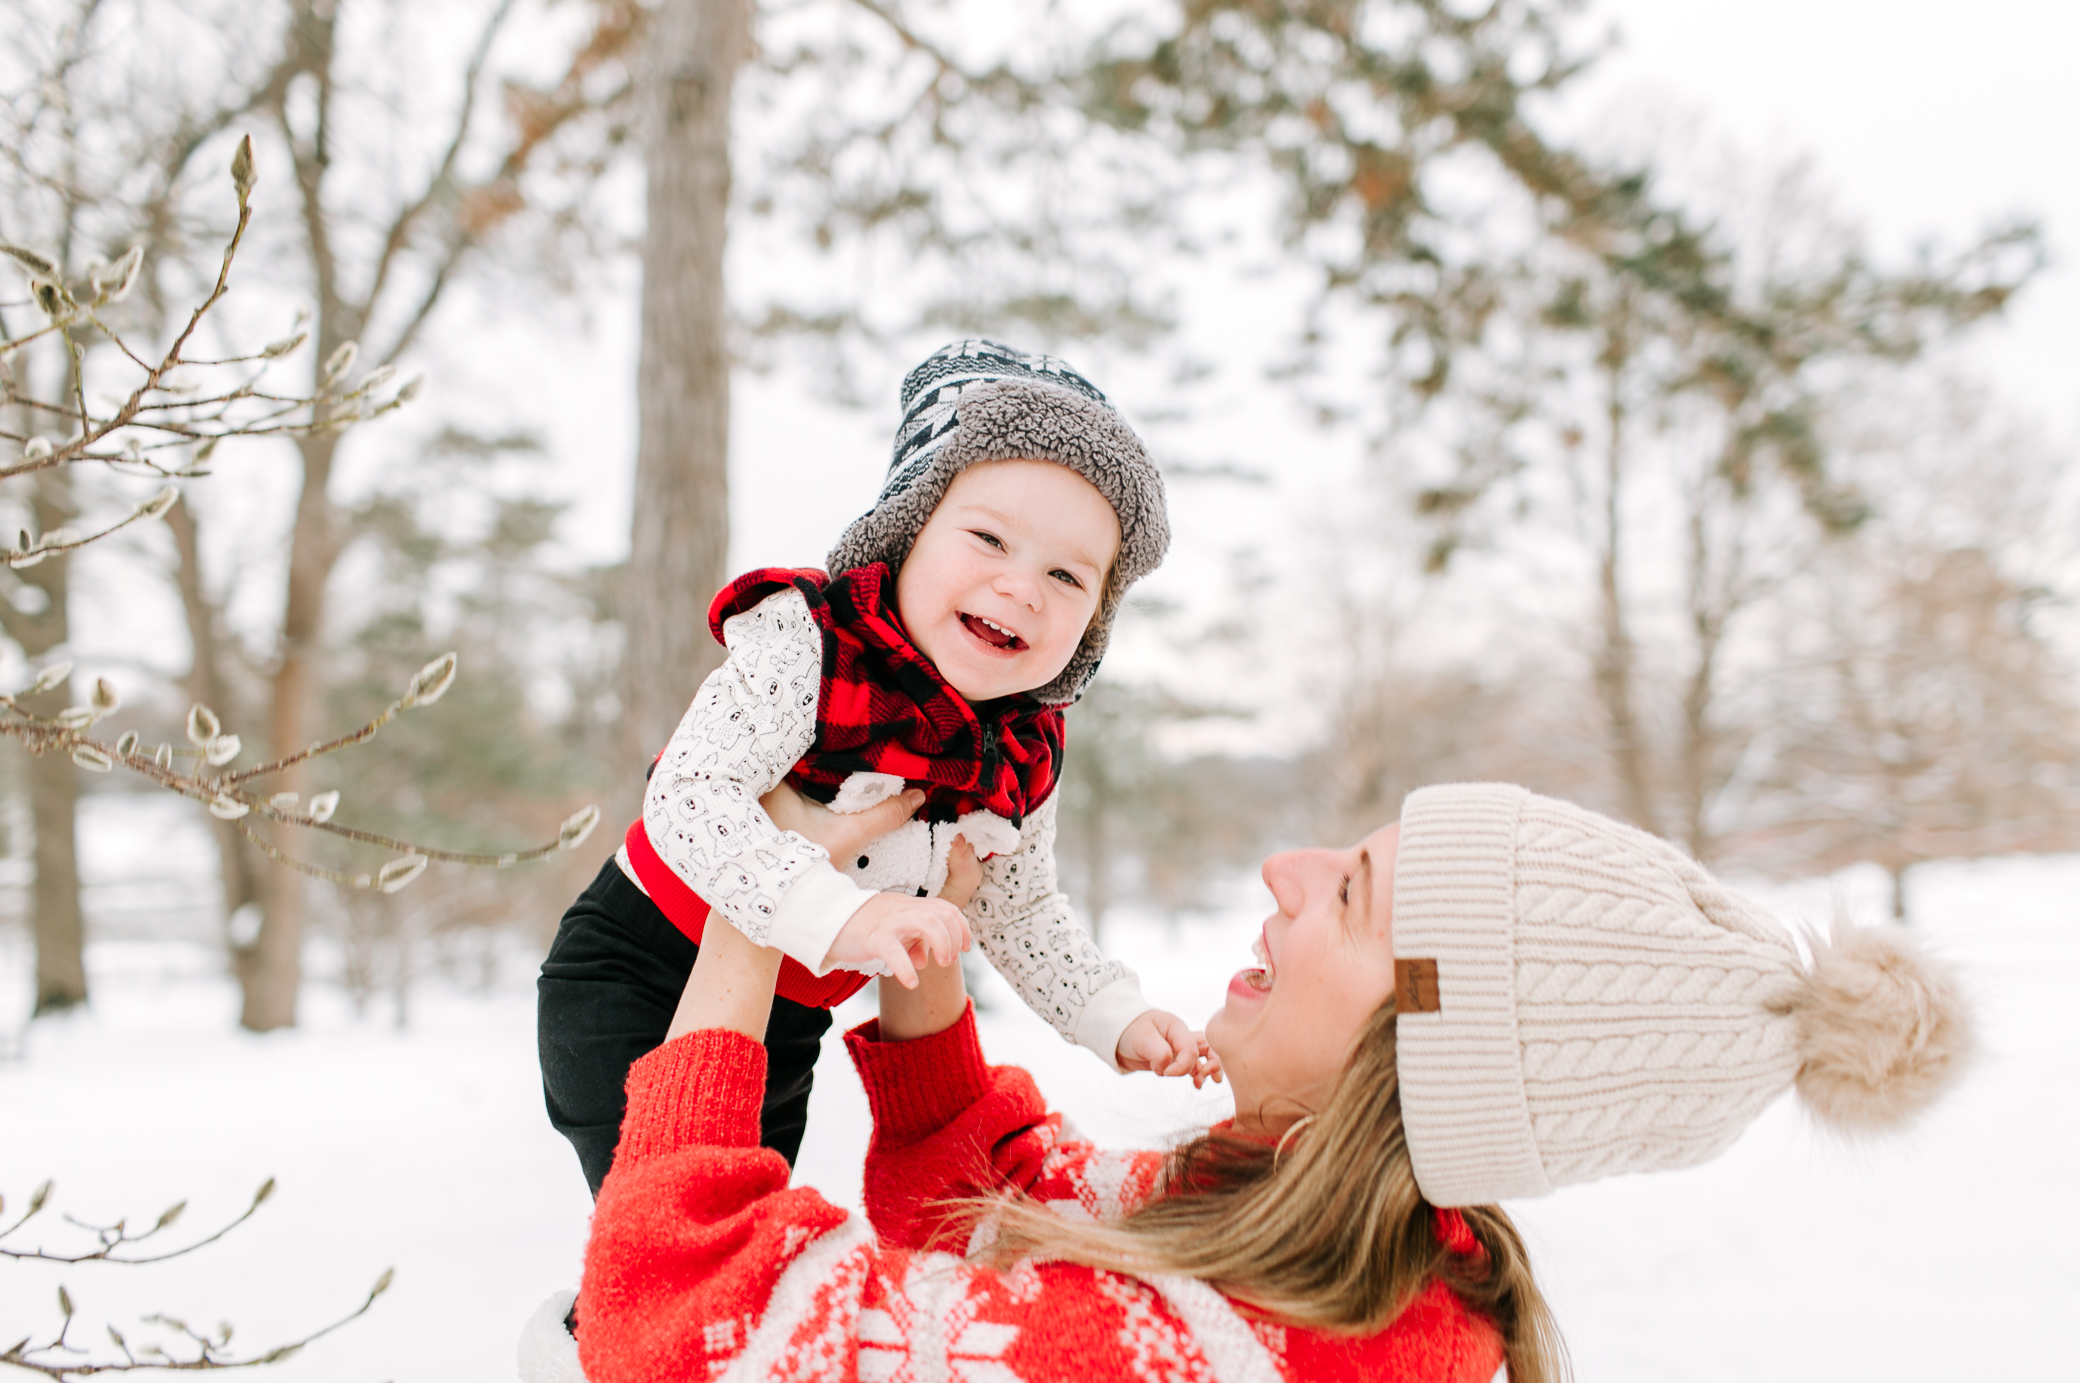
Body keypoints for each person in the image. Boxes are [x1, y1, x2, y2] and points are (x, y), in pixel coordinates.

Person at [519, 780, 1972, 1382]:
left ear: (1421, 1045)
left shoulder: (1220, 1352)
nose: (1284, 872)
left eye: (1345, 896)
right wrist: (921, 937)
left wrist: (749, 909)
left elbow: (703, 1326)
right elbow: (1017, 1208)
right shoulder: (1372, 1266)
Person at [537, 339, 1210, 1197]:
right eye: (989, 538)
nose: (1022, 587)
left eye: (1067, 576)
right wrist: (831, 915)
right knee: (666, 1225)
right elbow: (688, 793)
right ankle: (593, 1329)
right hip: (636, 974)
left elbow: (1020, 906)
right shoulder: (810, 645)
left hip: (784, 1023)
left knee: (738, 1250)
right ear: (908, 531)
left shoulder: (1021, 747)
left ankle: (615, 1326)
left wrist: (1115, 1014)